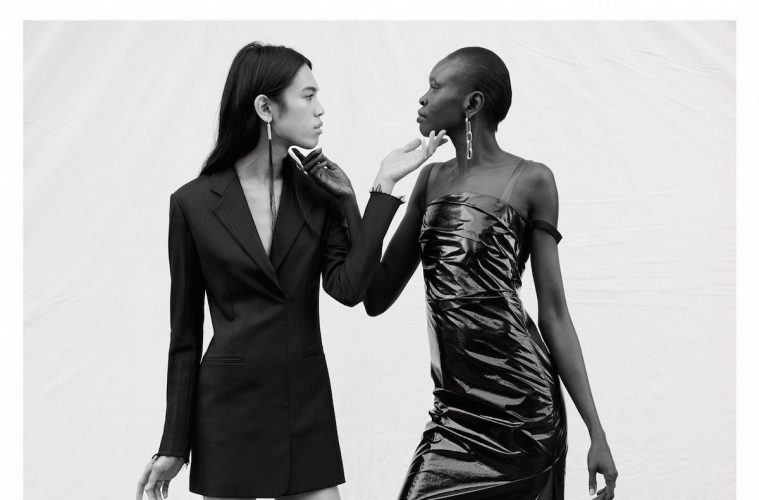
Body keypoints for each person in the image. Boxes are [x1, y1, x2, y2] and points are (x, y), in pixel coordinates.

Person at [135, 42, 446, 500]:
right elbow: (184, 336)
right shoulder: (192, 204)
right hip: (228, 411)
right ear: (265, 108)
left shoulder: (317, 194)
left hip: (304, 404)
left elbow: (351, 288)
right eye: (308, 95)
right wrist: (173, 444)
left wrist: (374, 190)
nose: (320, 109)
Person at [362, 47, 619, 499]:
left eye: (435, 86)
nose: (423, 98)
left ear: (473, 103)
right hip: (453, 413)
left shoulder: (532, 179)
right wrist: (382, 187)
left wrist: (596, 431)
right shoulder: (430, 180)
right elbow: (375, 297)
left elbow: (555, 314)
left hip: (525, 414)